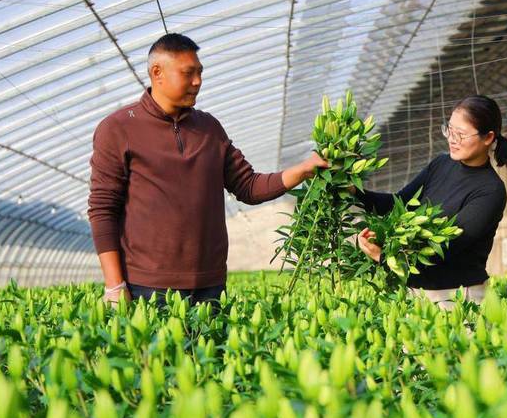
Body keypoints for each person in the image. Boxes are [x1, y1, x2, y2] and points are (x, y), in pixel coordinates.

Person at [87, 33, 327, 307]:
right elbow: (103, 209)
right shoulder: (118, 128)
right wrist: (115, 285)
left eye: (200, 72)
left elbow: (248, 186)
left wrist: (303, 170)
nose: (197, 81)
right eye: (188, 73)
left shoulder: (209, 128)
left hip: (209, 286)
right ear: (157, 73)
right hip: (147, 286)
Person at [354, 95, 507, 308]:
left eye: (461, 134)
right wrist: (353, 191)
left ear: (488, 137)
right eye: (449, 130)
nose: (452, 139)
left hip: (457, 298)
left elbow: (445, 247)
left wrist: (384, 257)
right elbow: (398, 203)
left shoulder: (490, 191)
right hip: (416, 293)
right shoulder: (441, 164)